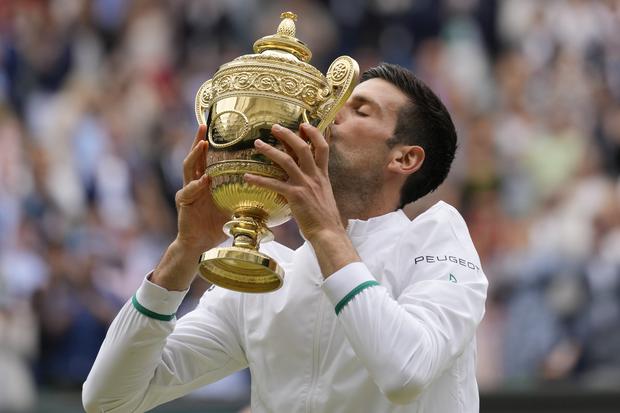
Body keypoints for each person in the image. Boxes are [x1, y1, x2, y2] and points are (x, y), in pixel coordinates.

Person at [82, 63, 488, 412]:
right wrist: (185, 251)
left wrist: (327, 231)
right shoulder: (267, 274)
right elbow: (109, 398)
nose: (328, 116)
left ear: (404, 158)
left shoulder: (437, 237)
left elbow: (405, 371)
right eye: (334, 103)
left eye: (359, 110)